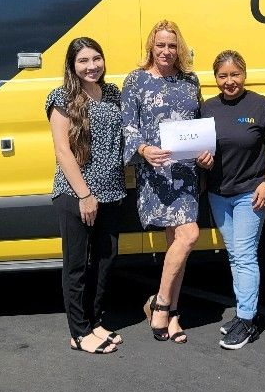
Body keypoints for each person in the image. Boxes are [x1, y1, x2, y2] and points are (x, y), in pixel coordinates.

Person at [122, 20, 213, 343]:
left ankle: (165, 309)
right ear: (151, 46)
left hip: (187, 174)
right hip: (156, 173)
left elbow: (199, 125)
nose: (166, 51)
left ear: (180, 48)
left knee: (182, 241)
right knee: (184, 238)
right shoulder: (136, 81)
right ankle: (164, 307)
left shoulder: (190, 80)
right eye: (160, 45)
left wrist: (206, 155)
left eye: (172, 45)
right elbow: (128, 127)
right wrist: (144, 149)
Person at [47, 37, 126, 355]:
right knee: (77, 265)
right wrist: (84, 195)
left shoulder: (113, 93)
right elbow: (63, 151)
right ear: (72, 66)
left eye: (97, 58)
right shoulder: (61, 97)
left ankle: (94, 322)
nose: (92, 66)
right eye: (83, 61)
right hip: (76, 194)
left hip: (112, 193)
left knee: (105, 262)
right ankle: (79, 332)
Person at [201, 50, 265, 350]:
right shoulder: (208, 108)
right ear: (215, 78)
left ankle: (246, 320)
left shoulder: (261, 105)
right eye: (223, 76)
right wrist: (201, 161)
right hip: (219, 194)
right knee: (234, 255)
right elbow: (200, 149)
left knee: (245, 256)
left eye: (235, 75)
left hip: (250, 193)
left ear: (244, 74)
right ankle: (244, 311)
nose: (229, 81)